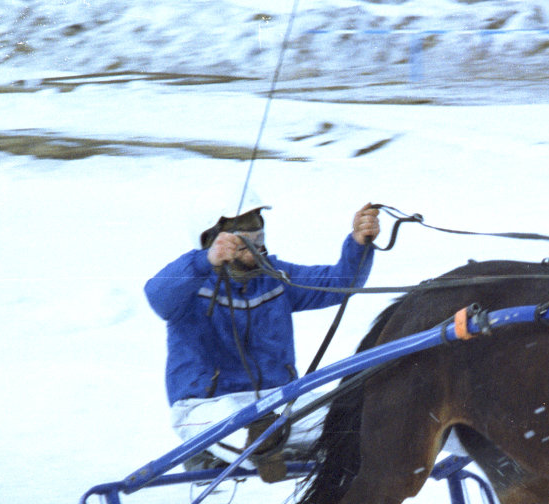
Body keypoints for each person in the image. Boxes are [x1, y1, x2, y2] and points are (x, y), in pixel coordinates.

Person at [145, 198, 380, 481]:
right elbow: (156, 295)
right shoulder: (189, 285)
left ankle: (282, 449)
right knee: (245, 427)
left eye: (259, 234)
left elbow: (340, 282)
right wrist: (204, 262)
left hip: (277, 403)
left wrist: (358, 243)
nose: (256, 245)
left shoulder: (275, 277)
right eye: (244, 237)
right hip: (206, 406)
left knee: (355, 420)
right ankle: (239, 451)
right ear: (211, 239)